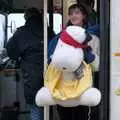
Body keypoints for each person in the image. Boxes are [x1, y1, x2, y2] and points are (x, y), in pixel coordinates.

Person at [48, 3, 100, 120]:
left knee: (81, 116)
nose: (73, 16)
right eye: (71, 13)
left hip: (83, 86)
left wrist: (87, 55)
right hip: (63, 84)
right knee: (64, 116)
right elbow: (51, 59)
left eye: (77, 13)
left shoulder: (93, 38)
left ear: (84, 16)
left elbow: (97, 65)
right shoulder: (60, 37)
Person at [5, 7, 55, 120]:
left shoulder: (22, 32)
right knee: (48, 106)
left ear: (26, 17)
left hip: (31, 76)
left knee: (35, 107)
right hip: (52, 74)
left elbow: (12, 53)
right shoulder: (49, 30)